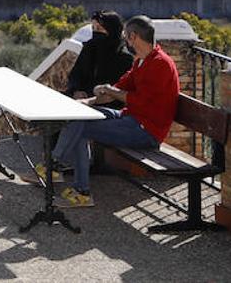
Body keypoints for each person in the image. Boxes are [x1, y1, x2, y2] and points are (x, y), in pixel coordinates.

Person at [51, 15, 179, 209]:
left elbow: (137, 100)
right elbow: (117, 91)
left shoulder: (161, 64)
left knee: (82, 128)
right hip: (131, 119)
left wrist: (110, 91)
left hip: (147, 131)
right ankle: (70, 181)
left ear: (134, 37)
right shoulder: (142, 61)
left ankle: (58, 168)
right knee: (79, 117)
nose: (124, 41)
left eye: (126, 36)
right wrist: (89, 101)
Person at [67, 11, 132, 100]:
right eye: (93, 28)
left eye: (99, 29)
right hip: (82, 102)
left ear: (111, 30)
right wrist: (75, 91)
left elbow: (120, 88)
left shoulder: (125, 57)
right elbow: (76, 74)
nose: (95, 32)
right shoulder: (89, 48)